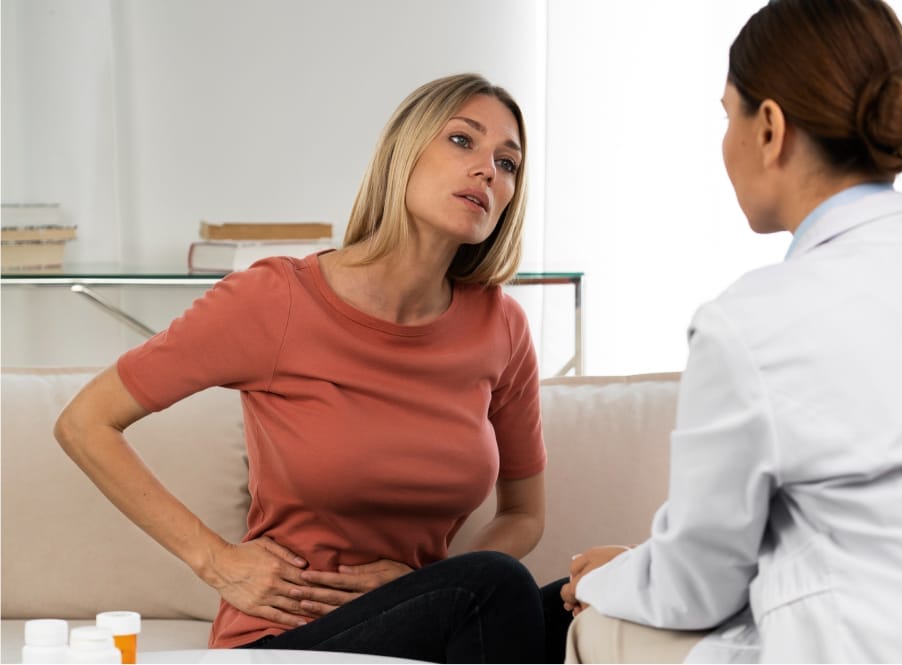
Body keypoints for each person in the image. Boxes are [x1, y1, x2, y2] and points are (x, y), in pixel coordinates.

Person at [560, 0, 902, 662]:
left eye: (725, 115)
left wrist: (606, 575)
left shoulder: (750, 320)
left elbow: (697, 582)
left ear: (768, 127)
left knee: (596, 626)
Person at [55, 73, 561, 663]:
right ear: (404, 151)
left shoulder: (500, 327)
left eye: (508, 163)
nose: (487, 171)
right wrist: (216, 562)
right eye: (461, 141)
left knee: (581, 603)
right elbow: (85, 422)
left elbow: (525, 513)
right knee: (498, 587)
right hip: (289, 639)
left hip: (435, 627)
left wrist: (431, 581)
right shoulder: (275, 300)